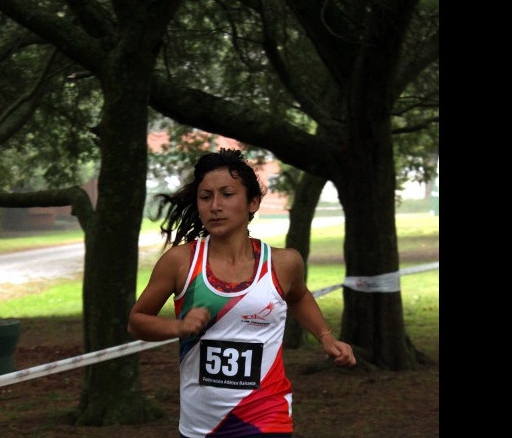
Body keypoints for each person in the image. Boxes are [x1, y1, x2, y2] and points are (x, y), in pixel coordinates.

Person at [127, 148, 356, 438]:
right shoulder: (180, 262)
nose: (215, 206)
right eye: (206, 197)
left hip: (266, 416)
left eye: (227, 194)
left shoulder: (283, 263)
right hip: (202, 424)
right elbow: (136, 322)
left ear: (253, 202)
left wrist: (326, 337)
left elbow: (298, 296)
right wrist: (178, 327)